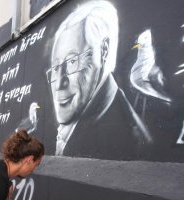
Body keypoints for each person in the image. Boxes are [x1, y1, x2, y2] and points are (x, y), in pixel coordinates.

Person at [46, 0, 152, 159]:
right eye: (55, 68)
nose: (59, 83)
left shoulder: (121, 137)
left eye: (72, 61)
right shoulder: (99, 119)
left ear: (103, 51)